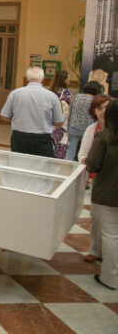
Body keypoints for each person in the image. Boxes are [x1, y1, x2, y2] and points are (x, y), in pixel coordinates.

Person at [85, 99, 118, 290]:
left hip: (108, 192)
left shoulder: (105, 135)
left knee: (111, 234)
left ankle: (110, 277)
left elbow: (93, 164)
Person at [0, 67, 64, 157]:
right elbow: (59, 122)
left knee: (18, 163)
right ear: (43, 79)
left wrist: (17, 118)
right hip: (42, 139)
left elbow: (4, 116)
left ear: (27, 79)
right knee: (41, 164)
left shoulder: (15, 93)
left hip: (19, 137)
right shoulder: (52, 96)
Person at [79, 94, 111, 263]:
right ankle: (96, 250)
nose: (103, 111)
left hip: (113, 180)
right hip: (97, 181)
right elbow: (83, 155)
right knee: (96, 217)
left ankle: (110, 254)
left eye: (107, 108)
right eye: (99, 108)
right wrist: (90, 163)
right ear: (94, 112)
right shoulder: (91, 130)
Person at [66, 81, 105, 161]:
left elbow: (70, 112)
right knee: (86, 152)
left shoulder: (76, 97)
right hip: (88, 129)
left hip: (73, 128)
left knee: (70, 151)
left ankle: (67, 166)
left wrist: (68, 126)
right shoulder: (94, 101)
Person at [49, 70, 73, 159]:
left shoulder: (50, 91)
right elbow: (71, 107)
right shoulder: (67, 93)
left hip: (50, 123)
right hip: (62, 124)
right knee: (61, 146)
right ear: (64, 79)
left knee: (52, 145)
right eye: (68, 77)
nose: (70, 79)